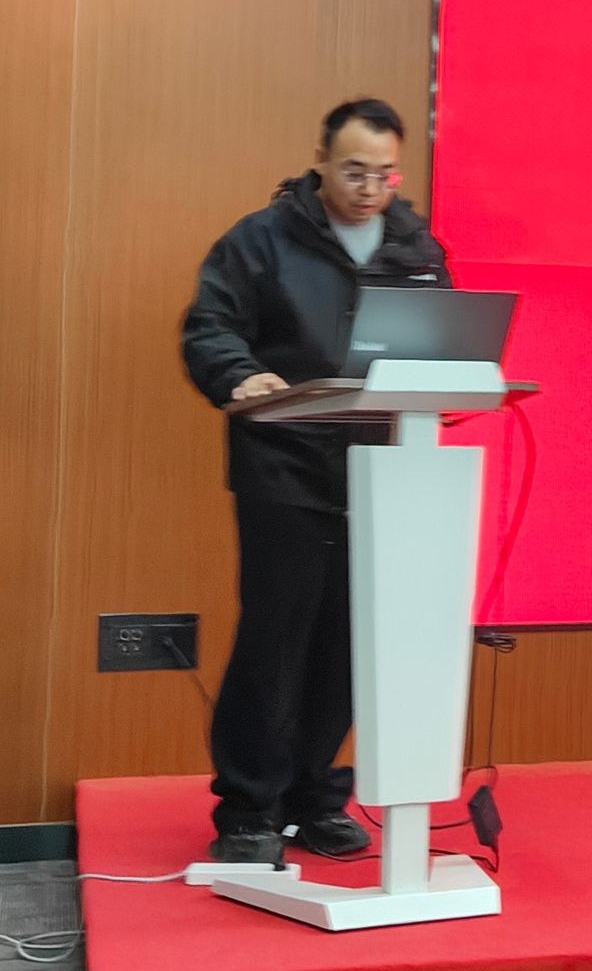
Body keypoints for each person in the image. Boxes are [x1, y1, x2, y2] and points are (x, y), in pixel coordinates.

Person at [181, 99, 451, 865]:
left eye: (384, 175)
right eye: (354, 171)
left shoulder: (416, 247)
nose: (369, 189)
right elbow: (210, 327)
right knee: (276, 638)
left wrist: (455, 378)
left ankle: (313, 798)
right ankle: (248, 808)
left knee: (349, 641)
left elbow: (443, 339)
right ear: (322, 162)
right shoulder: (261, 239)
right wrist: (240, 373)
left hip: (381, 469)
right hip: (285, 467)